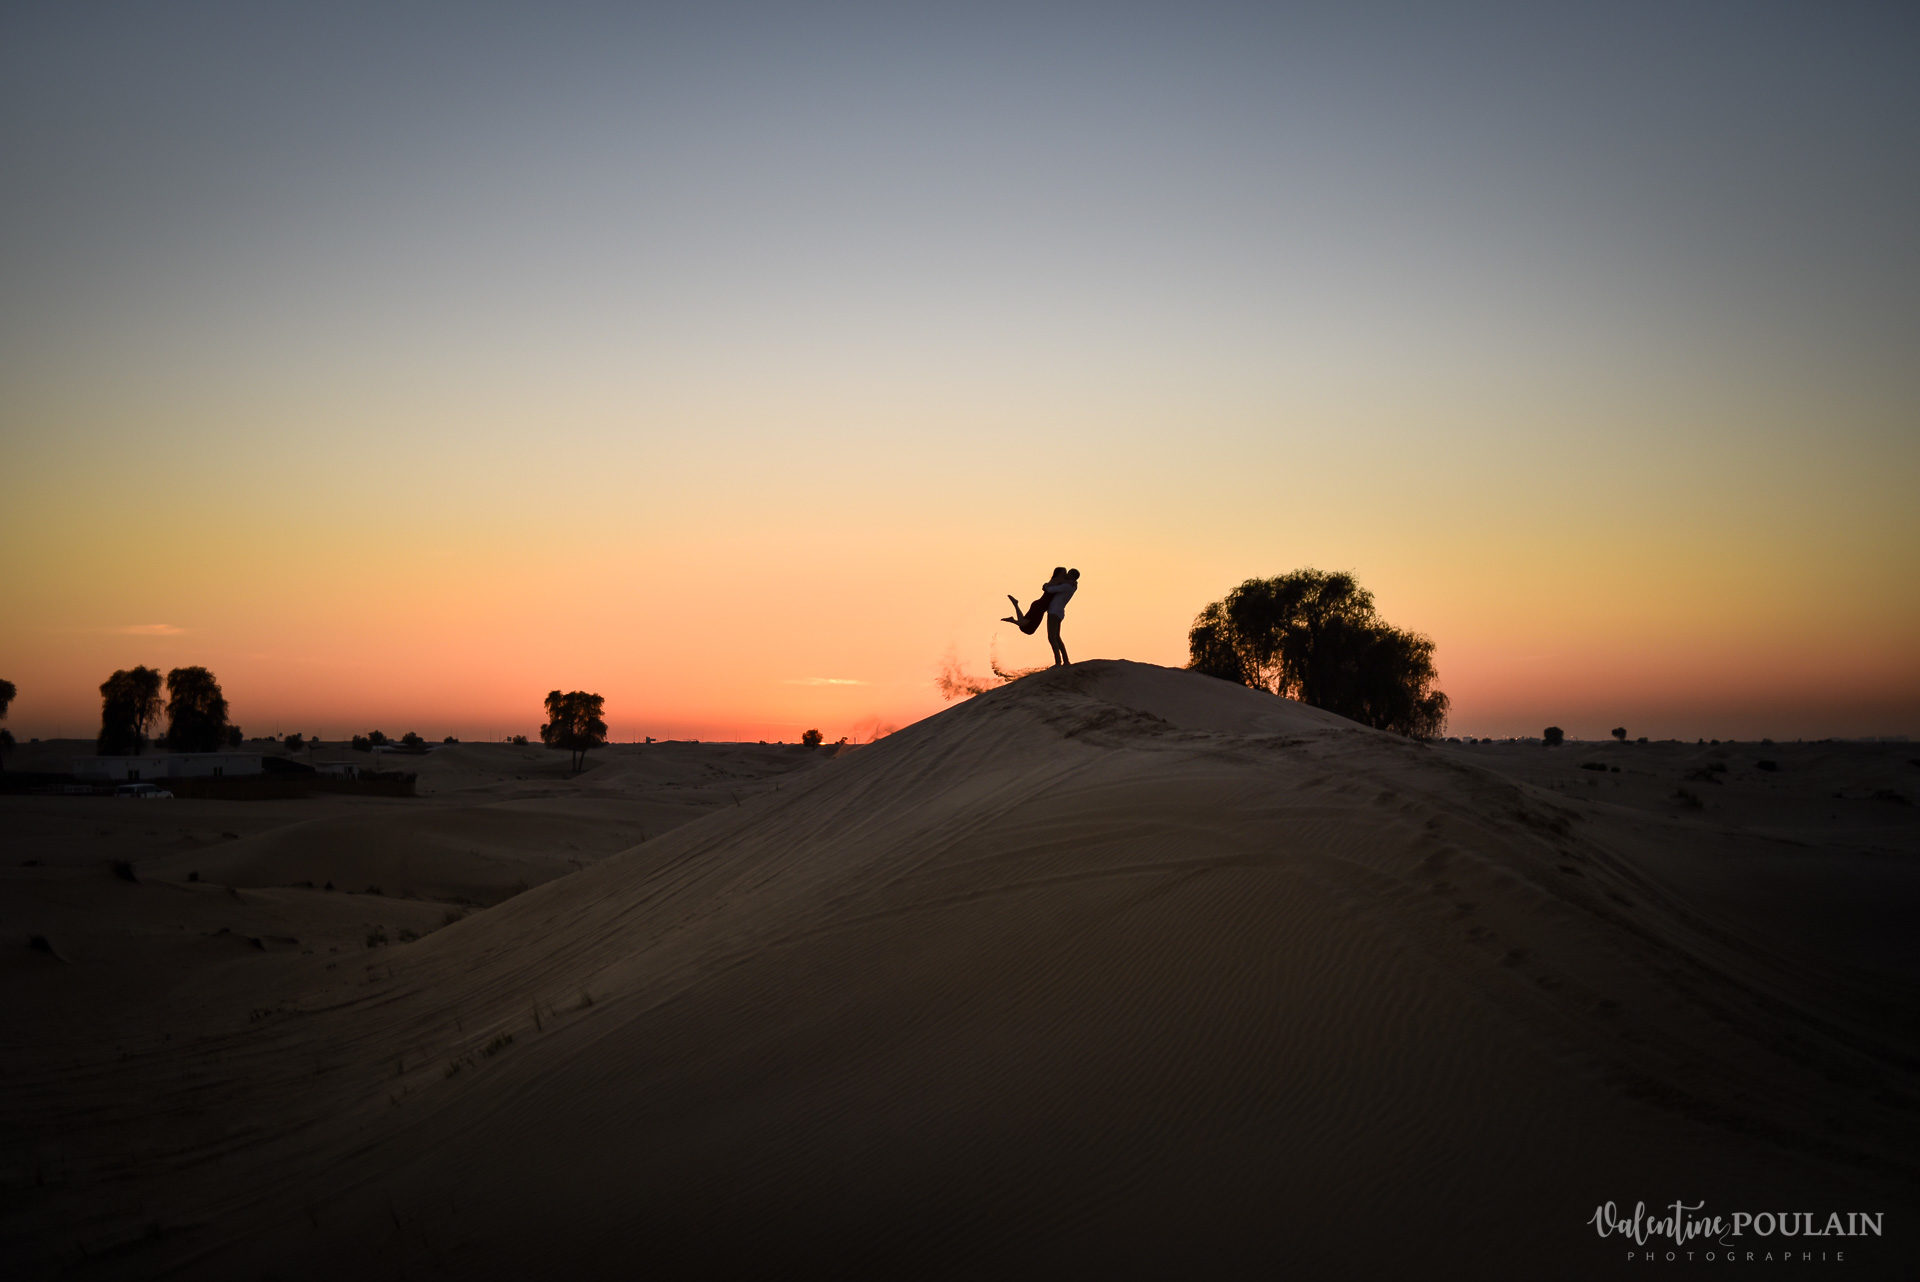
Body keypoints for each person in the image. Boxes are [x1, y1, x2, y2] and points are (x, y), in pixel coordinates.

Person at [1003, 568, 1072, 635]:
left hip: (1040, 606)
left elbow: (1045, 587)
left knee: (1026, 628)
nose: (1065, 574)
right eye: (1064, 573)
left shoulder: (1056, 581)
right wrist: (1072, 581)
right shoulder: (1058, 580)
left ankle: (1015, 606)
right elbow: (1048, 586)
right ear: (1059, 574)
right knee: (1027, 628)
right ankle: (1014, 612)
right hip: (1040, 606)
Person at [1045, 568, 1078, 666]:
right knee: (1057, 637)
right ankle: (1065, 660)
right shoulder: (1072, 585)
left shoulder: (1067, 586)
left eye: (1069, 574)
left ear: (1072, 576)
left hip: (1054, 611)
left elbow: (1050, 590)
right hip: (1058, 612)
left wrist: (1046, 585)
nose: (1066, 575)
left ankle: (1058, 662)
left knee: (1052, 637)